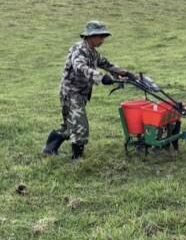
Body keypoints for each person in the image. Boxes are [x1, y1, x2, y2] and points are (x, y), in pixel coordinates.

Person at [43, 20, 130, 160]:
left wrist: (122, 72)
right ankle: (77, 159)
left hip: (81, 93)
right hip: (71, 92)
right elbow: (80, 67)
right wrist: (100, 77)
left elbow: (106, 64)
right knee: (80, 125)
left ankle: (49, 149)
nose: (102, 39)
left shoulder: (93, 53)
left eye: (104, 36)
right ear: (90, 36)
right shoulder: (79, 50)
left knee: (69, 125)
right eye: (100, 36)